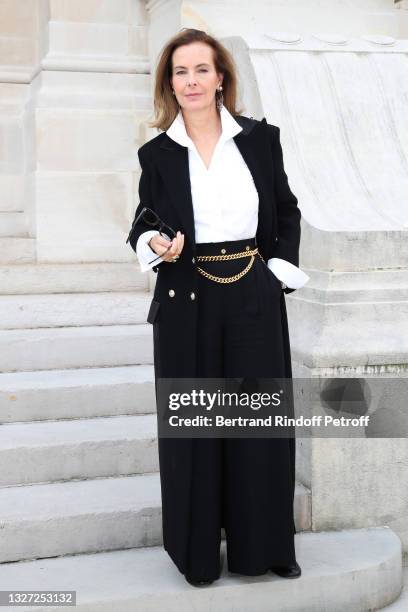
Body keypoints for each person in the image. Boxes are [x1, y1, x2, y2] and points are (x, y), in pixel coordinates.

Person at [127, 28, 310, 587]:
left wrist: (276, 273)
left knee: (258, 423)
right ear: (170, 84)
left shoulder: (259, 139)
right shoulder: (157, 153)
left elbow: (286, 210)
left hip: (253, 290)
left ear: (221, 77)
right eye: (180, 72)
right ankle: (198, 554)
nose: (191, 81)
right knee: (196, 428)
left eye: (201, 70)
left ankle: (267, 547)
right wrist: (155, 244)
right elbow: (143, 220)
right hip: (188, 297)